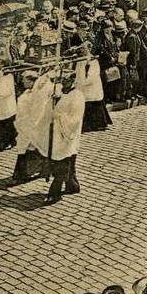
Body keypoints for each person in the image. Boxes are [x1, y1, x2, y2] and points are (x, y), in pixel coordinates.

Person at [36, 71, 85, 205]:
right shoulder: (60, 93)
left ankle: (54, 192)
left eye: (66, 81)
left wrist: (59, 116)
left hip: (67, 133)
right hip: (57, 132)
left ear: (73, 82)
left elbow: (75, 118)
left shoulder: (77, 96)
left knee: (63, 161)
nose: (63, 84)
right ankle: (72, 185)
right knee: (67, 160)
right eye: (62, 81)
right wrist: (53, 101)